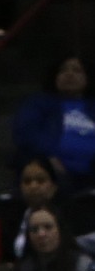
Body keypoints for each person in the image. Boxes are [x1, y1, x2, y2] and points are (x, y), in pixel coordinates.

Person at [11, 56, 95, 184]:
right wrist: (48, 156)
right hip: (52, 171)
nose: (69, 74)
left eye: (77, 71)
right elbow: (25, 133)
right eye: (63, 70)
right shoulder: (38, 103)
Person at [1, 156, 67, 261]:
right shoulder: (11, 217)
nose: (33, 186)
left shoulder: (66, 216)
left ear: (53, 187)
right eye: (27, 181)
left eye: (40, 181)